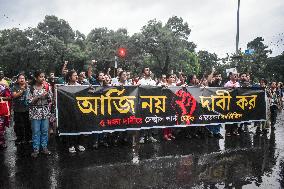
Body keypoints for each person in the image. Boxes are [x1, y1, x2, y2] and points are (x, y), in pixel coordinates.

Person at [28, 70, 52, 157]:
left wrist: (47, 96)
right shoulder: (30, 88)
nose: (43, 78)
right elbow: (29, 102)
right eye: (41, 76)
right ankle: (36, 149)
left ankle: (44, 148)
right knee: (36, 131)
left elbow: (51, 99)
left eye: (44, 77)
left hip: (45, 112)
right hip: (35, 113)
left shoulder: (47, 86)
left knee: (45, 131)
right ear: (36, 78)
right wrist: (38, 97)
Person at [65, 70, 86, 153]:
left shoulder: (80, 86)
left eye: (77, 75)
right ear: (70, 77)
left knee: (80, 127)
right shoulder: (65, 87)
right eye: (74, 75)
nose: (76, 77)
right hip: (69, 111)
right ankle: (71, 145)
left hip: (79, 111)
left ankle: (80, 144)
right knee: (71, 128)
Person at [137, 67, 158, 143]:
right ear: (143, 73)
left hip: (151, 103)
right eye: (146, 70)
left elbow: (156, 90)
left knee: (150, 119)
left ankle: (150, 136)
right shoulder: (140, 81)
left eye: (149, 69)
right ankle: (142, 136)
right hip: (143, 103)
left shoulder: (153, 82)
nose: (148, 71)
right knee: (143, 119)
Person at [12, 73, 32, 145]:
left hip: (27, 109)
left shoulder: (28, 87)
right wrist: (21, 91)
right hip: (17, 109)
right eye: (20, 78)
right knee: (18, 125)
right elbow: (14, 96)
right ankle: (19, 139)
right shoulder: (15, 87)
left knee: (28, 124)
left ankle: (28, 138)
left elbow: (31, 96)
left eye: (23, 78)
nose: (21, 79)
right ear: (17, 80)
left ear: (25, 80)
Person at [224, 72, 240, 137]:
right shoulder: (227, 83)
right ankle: (228, 130)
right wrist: (231, 87)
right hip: (229, 102)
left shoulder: (238, 83)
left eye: (236, 75)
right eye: (234, 75)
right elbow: (224, 90)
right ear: (230, 76)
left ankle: (235, 130)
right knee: (228, 115)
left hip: (236, 102)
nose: (235, 76)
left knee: (235, 115)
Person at [163, 73, 176, 141]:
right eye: (171, 77)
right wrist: (163, 85)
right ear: (167, 79)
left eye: (173, 77)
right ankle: (165, 134)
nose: (173, 78)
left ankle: (170, 133)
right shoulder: (165, 85)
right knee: (166, 119)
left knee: (171, 118)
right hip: (166, 104)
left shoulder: (174, 85)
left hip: (173, 104)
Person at [0, 83, 11, 150]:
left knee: (1, 128)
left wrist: (1, 98)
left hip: (1, 111)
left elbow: (9, 97)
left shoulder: (3, 87)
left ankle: (1, 142)